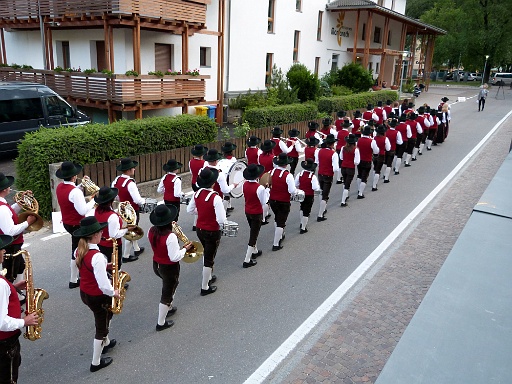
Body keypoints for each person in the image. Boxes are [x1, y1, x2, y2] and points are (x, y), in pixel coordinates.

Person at [74, 216, 120, 372]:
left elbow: (89, 268)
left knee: (106, 317)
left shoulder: (79, 250)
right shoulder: (97, 256)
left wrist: (106, 266)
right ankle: (95, 362)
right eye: (100, 231)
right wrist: (114, 292)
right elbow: (103, 285)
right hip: (98, 295)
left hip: (85, 293)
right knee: (101, 327)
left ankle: (105, 343)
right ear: (94, 235)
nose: (102, 233)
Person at [0, 234, 39, 384]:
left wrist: (13, 288)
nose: (4, 251)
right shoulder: (1, 284)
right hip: (5, 344)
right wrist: (24, 321)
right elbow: (1, 321)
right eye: (1, 249)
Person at [148, 204, 192, 331]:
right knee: (168, 291)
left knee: (170, 285)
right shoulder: (170, 237)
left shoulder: (151, 231)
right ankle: (161, 323)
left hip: (156, 264)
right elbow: (175, 257)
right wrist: (184, 249)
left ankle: (170, 307)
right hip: (169, 267)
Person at [186, 167, 227, 296]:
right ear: (213, 182)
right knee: (210, 257)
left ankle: (208, 277)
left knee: (207, 254)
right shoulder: (216, 198)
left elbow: (190, 210)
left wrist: (202, 213)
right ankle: (205, 287)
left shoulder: (196, 193)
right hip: (212, 230)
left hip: (200, 228)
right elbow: (221, 220)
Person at [56, 161, 96, 288]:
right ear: (74, 176)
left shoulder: (60, 187)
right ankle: (74, 279)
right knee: (79, 250)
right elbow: (83, 210)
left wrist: (82, 186)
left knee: (78, 248)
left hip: (67, 223)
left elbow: (72, 195)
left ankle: (75, 278)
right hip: (77, 224)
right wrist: (94, 200)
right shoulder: (75, 192)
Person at [0, 173, 36, 287]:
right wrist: (27, 223)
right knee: (10, 275)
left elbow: (9, 214)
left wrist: (20, 204)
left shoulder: (3, 204)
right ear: (5, 189)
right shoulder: (2, 208)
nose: (10, 187)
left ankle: (19, 296)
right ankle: (11, 298)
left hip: (14, 244)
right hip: (11, 245)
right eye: (9, 186)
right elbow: (10, 231)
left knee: (20, 267)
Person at [112, 158, 146, 263]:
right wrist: (144, 201)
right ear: (129, 170)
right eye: (133, 168)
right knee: (131, 231)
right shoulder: (130, 183)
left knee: (131, 228)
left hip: (122, 209)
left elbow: (115, 196)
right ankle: (126, 256)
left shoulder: (116, 180)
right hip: (132, 210)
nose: (134, 169)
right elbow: (137, 200)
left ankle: (137, 249)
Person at [92, 187, 133, 271]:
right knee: (115, 266)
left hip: (101, 243)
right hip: (112, 246)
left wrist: (118, 211)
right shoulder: (112, 216)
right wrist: (126, 230)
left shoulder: (97, 210)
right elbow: (114, 234)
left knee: (105, 266)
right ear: (111, 200)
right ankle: (116, 283)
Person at [268, 153, 297, 251]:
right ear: (286, 164)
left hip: (272, 199)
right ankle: (276, 244)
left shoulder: (271, 172)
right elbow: (292, 191)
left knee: (277, 217)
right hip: (283, 201)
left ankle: (280, 235)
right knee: (281, 222)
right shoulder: (288, 175)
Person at [241, 164, 268, 267]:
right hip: (256, 212)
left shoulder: (245, 184)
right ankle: (247, 259)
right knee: (253, 235)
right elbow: (264, 201)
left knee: (253, 230)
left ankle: (255, 251)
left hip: (247, 210)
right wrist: (267, 190)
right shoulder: (260, 188)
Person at [316, 134, 339, 220]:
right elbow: (336, 168)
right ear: (333, 144)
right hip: (328, 175)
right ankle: (320, 214)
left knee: (321, 192)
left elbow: (317, 162)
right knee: (325, 195)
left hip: (320, 173)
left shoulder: (320, 151)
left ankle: (323, 208)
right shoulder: (334, 154)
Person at [295, 158, 321, 234]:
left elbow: (296, 184)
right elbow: (315, 188)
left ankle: (301, 222)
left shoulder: (299, 174)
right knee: (307, 211)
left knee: (302, 208)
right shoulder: (312, 177)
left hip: (300, 193)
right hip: (309, 195)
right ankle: (303, 228)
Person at [340, 134, 360, 207]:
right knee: (347, 184)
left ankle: (346, 195)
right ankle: (343, 201)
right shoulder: (356, 150)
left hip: (343, 167)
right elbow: (356, 162)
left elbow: (341, 158)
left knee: (345, 182)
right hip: (350, 168)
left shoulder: (343, 148)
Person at [356, 126, 374, 199]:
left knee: (359, 175)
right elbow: (375, 151)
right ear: (370, 134)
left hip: (360, 160)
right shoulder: (371, 141)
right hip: (367, 160)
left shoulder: (359, 140)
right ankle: (360, 193)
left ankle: (358, 189)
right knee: (364, 177)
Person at [220, 142, 238, 212]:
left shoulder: (221, 160)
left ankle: (228, 206)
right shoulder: (234, 159)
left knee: (226, 193)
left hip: (224, 176)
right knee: (227, 194)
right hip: (231, 177)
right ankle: (225, 209)